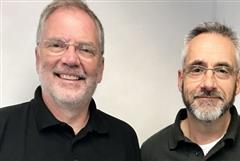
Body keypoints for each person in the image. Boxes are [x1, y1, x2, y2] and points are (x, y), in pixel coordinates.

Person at [0, 0, 141, 161]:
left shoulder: (124, 139)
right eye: (57, 45)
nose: (71, 59)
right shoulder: (2, 129)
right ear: (38, 58)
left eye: (85, 49)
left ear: (100, 68)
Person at [141, 22, 240, 161]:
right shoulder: (151, 152)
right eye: (197, 69)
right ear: (181, 80)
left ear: (238, 82)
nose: (209, 84)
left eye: (222, 70)